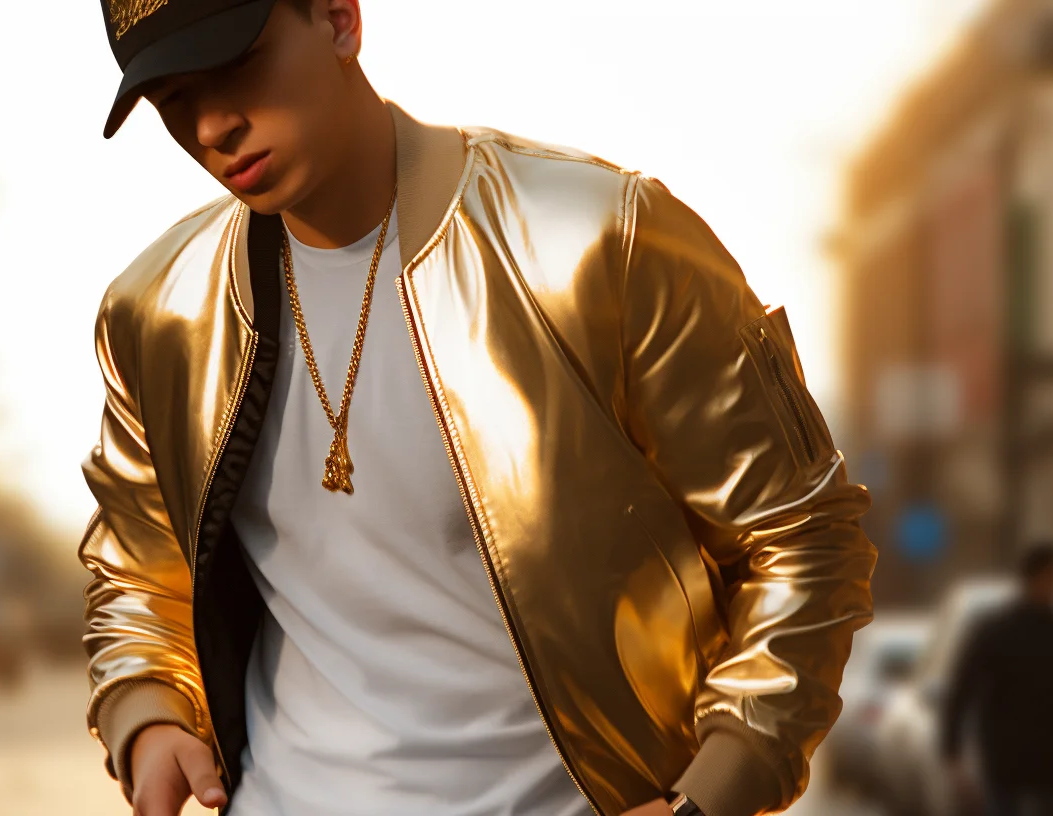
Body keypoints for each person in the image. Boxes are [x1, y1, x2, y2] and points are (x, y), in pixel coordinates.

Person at [77, 2, 878, 815]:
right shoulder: (160, 314)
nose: (212, 126)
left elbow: (803, 537)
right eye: (175, 100)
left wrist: (710, 795)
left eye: (239, 66)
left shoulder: (598, 242)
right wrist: (147, 717)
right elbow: (137, 575)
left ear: (339, 19)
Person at [942, 543, 1053, 816]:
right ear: (1036, 577)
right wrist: (952, 748)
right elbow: (964, 689)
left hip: (1049, 758)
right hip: (1006, 757)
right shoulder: (998, 632)